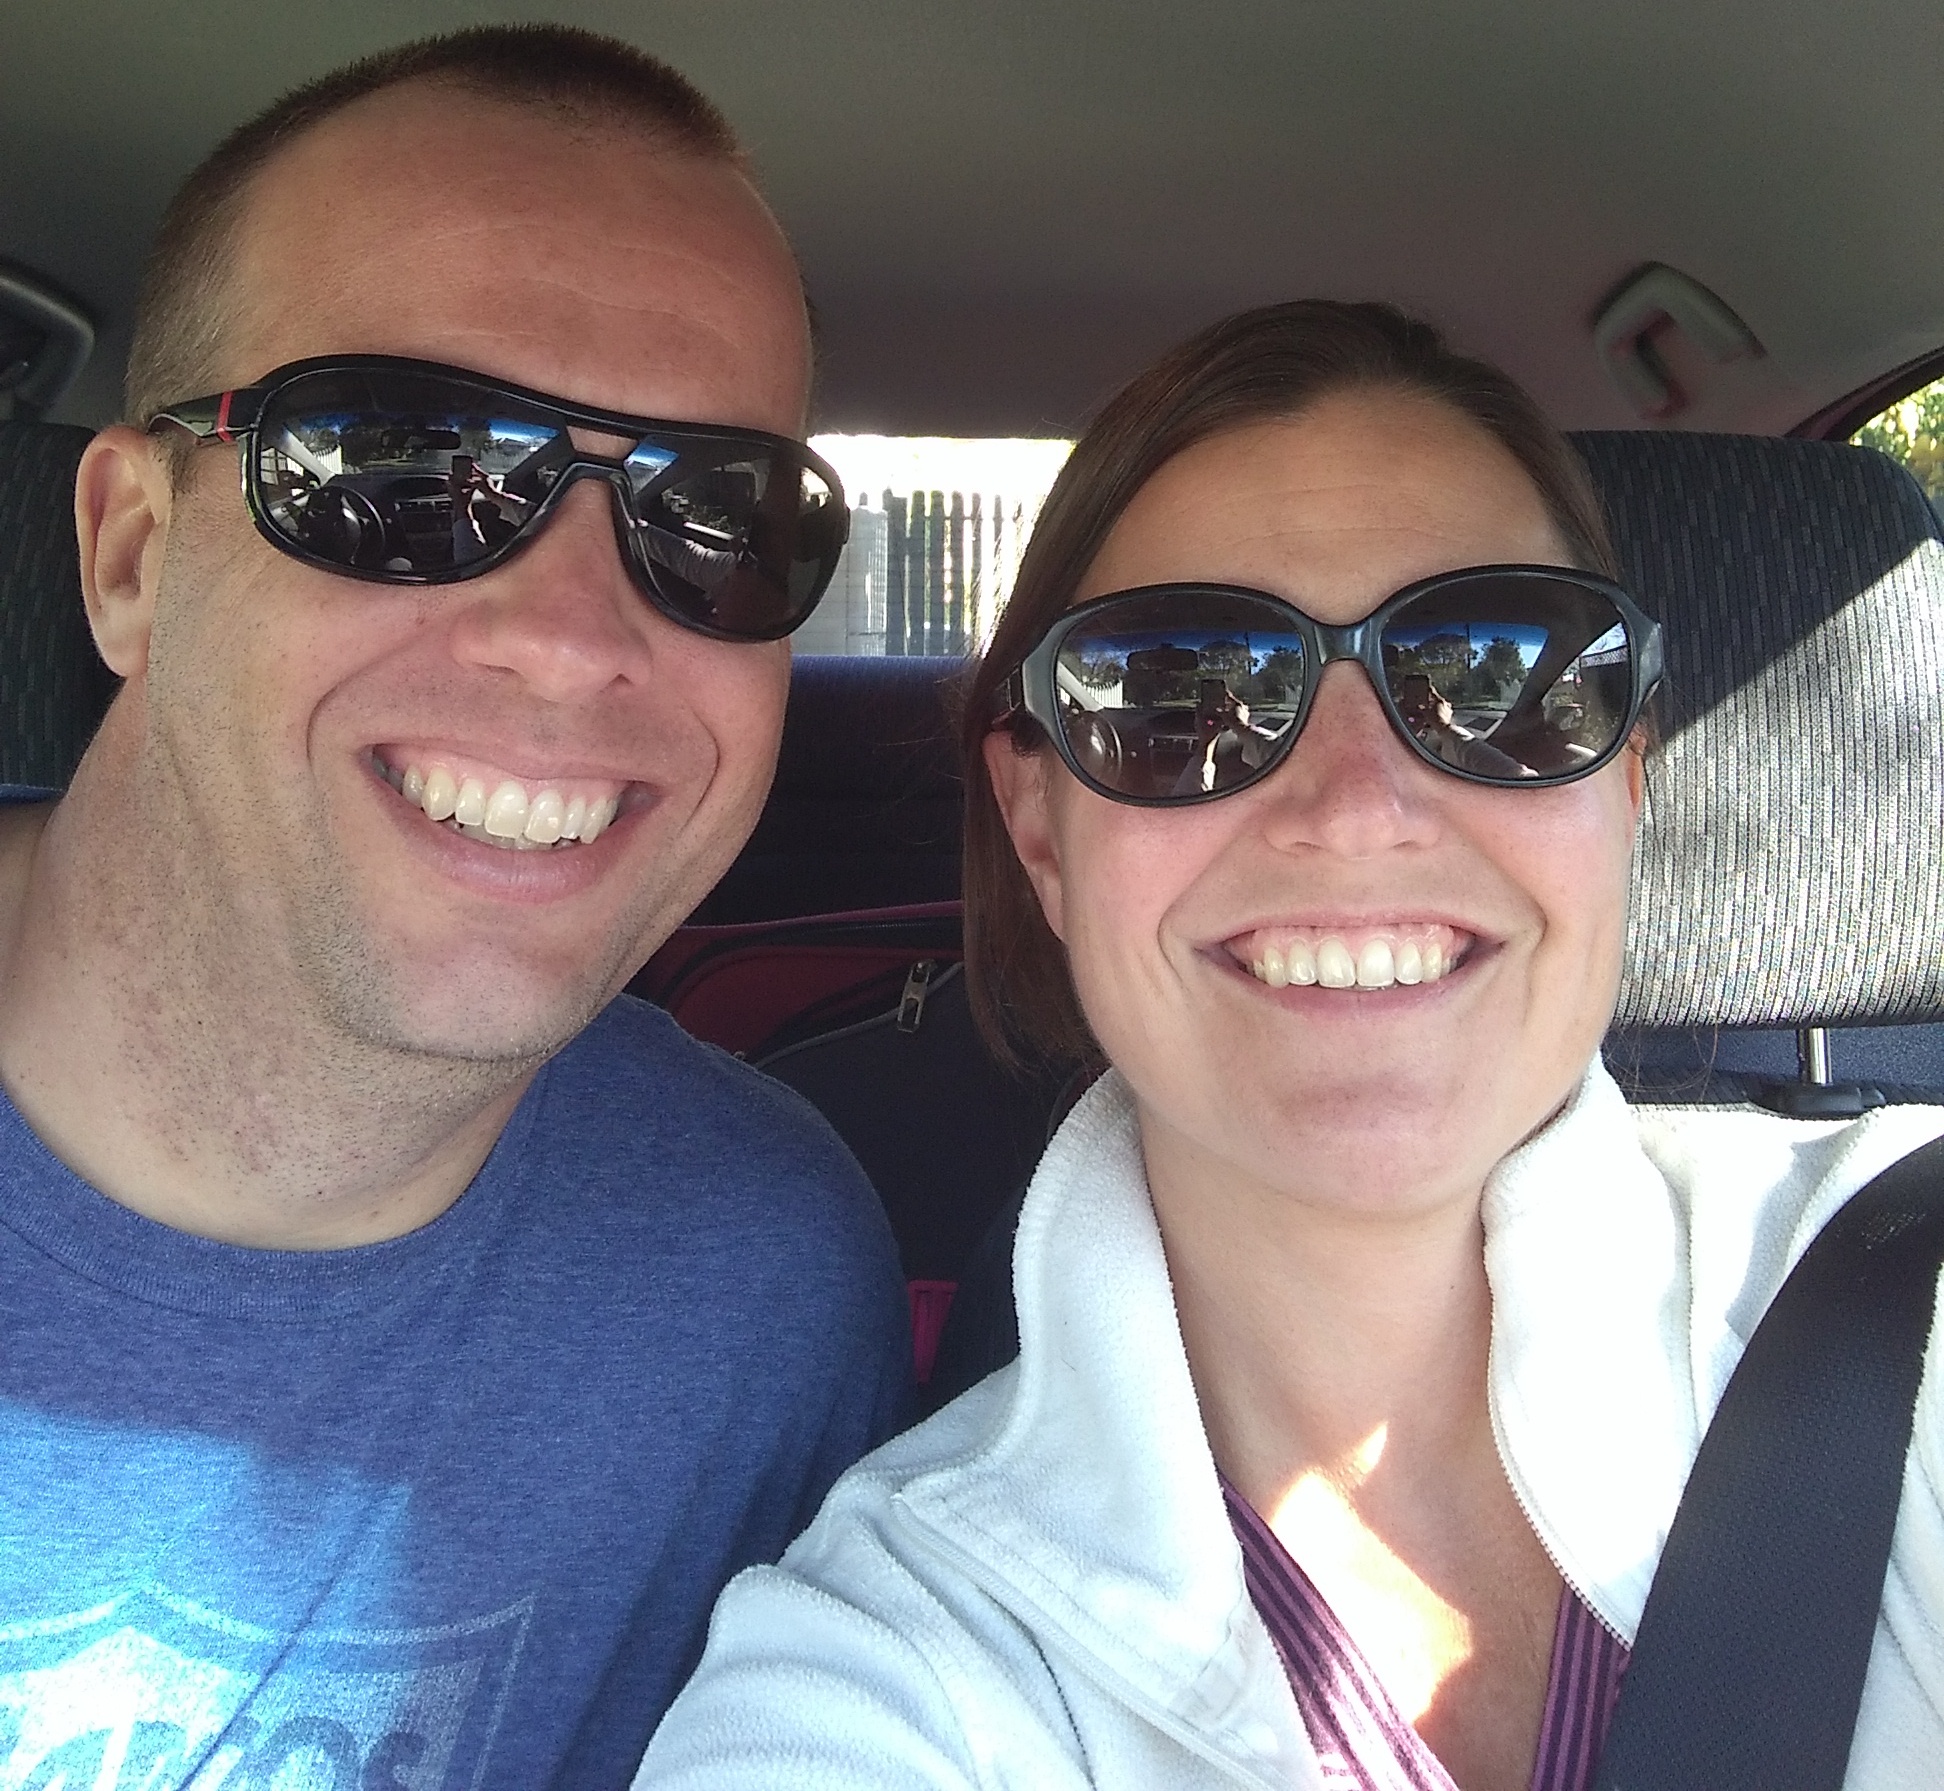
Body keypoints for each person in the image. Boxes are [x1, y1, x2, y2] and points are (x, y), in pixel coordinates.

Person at [636, 302, 1944, 1787]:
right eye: (1183, 689)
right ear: (1039, 828)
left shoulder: (1904, 1292)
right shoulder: (894, 1665)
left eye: (1501, 677)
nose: (1356, 809)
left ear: (1626, 779)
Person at [0, 26, 909, 1788]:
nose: (569, 635)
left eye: (716, 515)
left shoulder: (763, 1286)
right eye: (401, 467)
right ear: (132, 555)